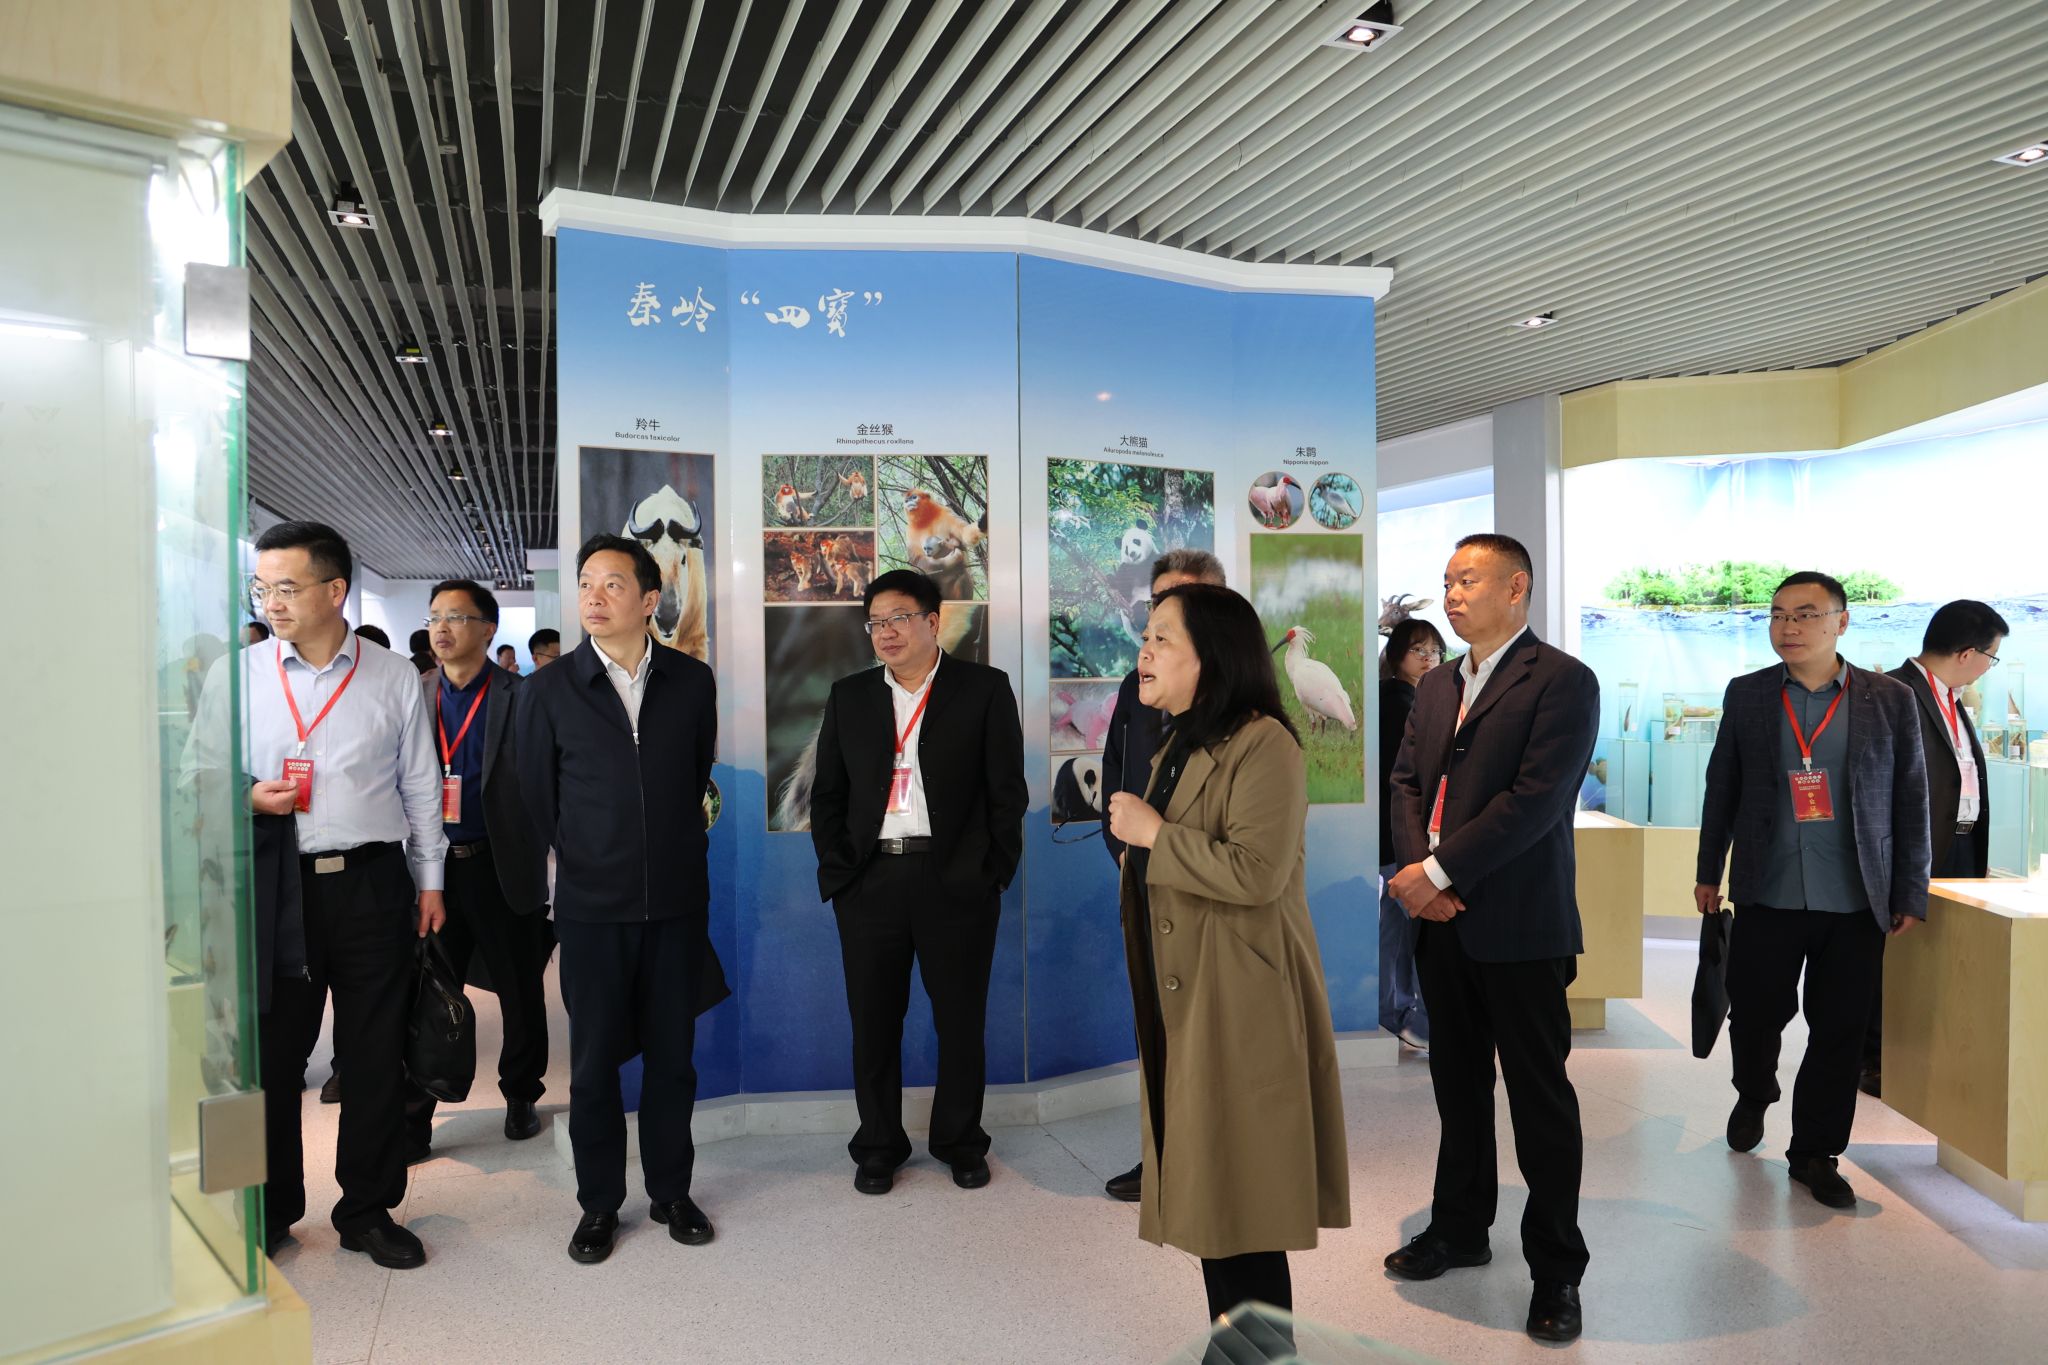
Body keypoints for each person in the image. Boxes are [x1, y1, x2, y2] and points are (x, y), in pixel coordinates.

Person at [183, 520, 446, 1270]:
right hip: (276, 883)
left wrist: (430, 881)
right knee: (272, 1058)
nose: (271, 602)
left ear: (335, 590)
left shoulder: (392, 675)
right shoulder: (236, 675)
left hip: (371, 883)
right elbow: (194, 776)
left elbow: (421, 786)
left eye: (287, 587)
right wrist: (248, 796)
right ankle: (269, 1211)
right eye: (261, 588)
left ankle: (367, 1210)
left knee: (374, 1053)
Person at [1104, 583, 1349, 1327]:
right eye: (1146, 637)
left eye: (1162, 638)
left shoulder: (1265, 742)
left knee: (1245, 1198)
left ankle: (1261, 1348)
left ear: (1212, 656)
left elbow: (1257, 872)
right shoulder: (1181, 740)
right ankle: (1237, 1340)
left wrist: (1153, 835)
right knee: (1218, 1191)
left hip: (1240, 990)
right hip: (1190, 986)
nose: (1144, 652)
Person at [1384, 533, 1598, 1344]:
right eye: (1446, 581)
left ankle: (1556, 1269)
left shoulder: (1563, 680)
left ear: (1517, 587)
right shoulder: (1438, 682)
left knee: (1540, 1100)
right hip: (1442, 923)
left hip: (1520, 923)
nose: (1452, 594)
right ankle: (1459, 1226)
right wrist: (1419, 874)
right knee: (1458, 1086)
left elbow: (1535, 800)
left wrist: (1437, 872)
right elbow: (1409, 782)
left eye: (1467, 579)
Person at [517, 534, 730, 1265]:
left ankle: (672, 1191)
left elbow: (694, 775)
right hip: (592, 910)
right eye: (585, 583)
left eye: (612, 583)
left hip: (675, 903)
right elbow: (536, 798)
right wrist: (592, 859)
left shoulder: (691, 681)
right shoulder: (548, 689)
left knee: (674, 1060)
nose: (594, 596)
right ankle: (600, 1203)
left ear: (649, 600)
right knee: (594, 1067)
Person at [1694, 571, 1930, 1211]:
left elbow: (1911, 797)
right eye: (1777, 615)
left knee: (1839, 1030)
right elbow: (1723, 787)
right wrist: (1709, 871)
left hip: (1856, 898)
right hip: (1767, 890)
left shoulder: (1889, 699)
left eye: (1804, 614)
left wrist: (1910, 890)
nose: (1788, 627)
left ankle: (1815, 1153)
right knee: (1754, 1013)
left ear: (1841, 622)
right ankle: (1754, 1091)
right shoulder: (1748, 694)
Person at [809, 569, 1027, 1196]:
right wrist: (842, 872)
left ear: (934, 621)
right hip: (870, 880)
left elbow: (1006, 794)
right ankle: (878, 1145)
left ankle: (960, 1141)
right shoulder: (850, 696)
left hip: (956, 879)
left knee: (960, 1020)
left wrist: (992, 873)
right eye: (876, 622)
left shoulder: (984, 689)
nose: (887, 632)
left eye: (899, 618)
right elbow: (828, 796)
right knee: (874, 1022)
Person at [402, 580, 552, 1159]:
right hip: (432, 870)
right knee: (427, 989)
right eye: (434, 617)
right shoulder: (414, 691)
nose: (441, 628)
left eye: (456, 617)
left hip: (500, 865)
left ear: (488, 629)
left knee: (520, 988)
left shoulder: (522, 694)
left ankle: (521, 1092)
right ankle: (418, 1110)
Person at [1098, 547, 1227, 1204]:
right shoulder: (1136, 685)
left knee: (1210, 1036)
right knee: (1154, 1027)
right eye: (1158, 605)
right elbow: (1115, 774)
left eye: (1184, 603)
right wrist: (1123, 854)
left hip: (1212, 896)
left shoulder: (1244, 707)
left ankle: (1214, 1167)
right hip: (1144, 888)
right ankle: (1162, 1157)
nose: (1163, 620)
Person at [1863, 600, 2004, 1095]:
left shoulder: (1954, 698)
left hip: (1958, 845)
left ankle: (1927, 1052)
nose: (1989, 666)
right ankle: (1875, 1058)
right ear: (1968, 653)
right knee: (1892, 955)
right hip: (1912, 849)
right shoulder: (1890, 691)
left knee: (1940, 957)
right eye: (1991, 656)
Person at [1378, 616, 1447, 1051]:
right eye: (1417, 650)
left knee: (1397, 923)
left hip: (1395, 836)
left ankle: (1398, 1013)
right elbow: (1408, 778)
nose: (1427, 658)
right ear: (1397, 655)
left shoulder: (1406, 697)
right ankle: (1410, 1017)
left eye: (1434, 650)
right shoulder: (1401, 702)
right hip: (1402, 836)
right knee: (1409, 924)